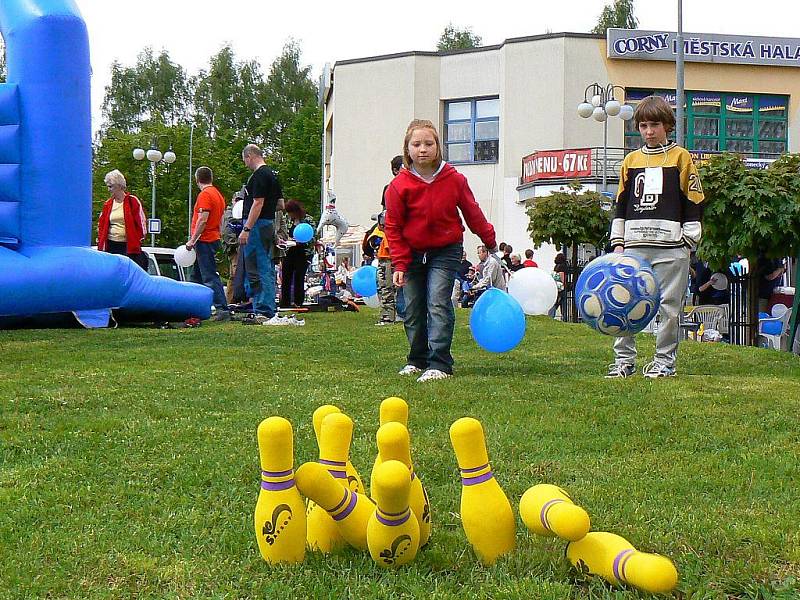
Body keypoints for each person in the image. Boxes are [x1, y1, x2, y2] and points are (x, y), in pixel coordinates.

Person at [385, 119, 497, 382]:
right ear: (407, 149)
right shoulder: (399, 186)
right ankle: (416, 359)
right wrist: (399, 264)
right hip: (411, 252)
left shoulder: (454, 179)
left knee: (437, 302)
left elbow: (473, 212)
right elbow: (393, 226)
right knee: (412, 308)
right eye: (416, 144)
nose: (422, 149)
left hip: (445, 250)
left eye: (428, 143)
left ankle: (440, 363)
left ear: (438, 147)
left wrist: (490, 241)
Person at [606, 95, 704, 379]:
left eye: (655, 125)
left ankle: (664, 363)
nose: (649, 131)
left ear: (668, 125)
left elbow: (694, 200)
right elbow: (620, 204)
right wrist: (618, 242)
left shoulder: (681, 157)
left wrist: (688, 240)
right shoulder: (631, 161)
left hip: (671, 248)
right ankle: (624, 361)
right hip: (634, 247)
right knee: (624, 301)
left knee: (670, 308)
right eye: (644, 125)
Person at [240, 144, 284, 323]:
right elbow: (280, 204)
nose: (245, 164)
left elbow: (257, 203)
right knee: (266, 264)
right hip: (268, 223)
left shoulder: (259, 176)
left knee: (257, 266)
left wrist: (246, 229)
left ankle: (263, 309)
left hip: (257, 225)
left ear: (250, 156)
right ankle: (267, 306)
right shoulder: (273, 176)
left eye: (245, 159)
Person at [186, 166, 228, 319]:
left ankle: (222, 309)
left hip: (204, 240)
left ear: (197, 179)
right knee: (195, 277)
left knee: (209, 276)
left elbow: (202, 220)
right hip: (213, 238)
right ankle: (191, 307)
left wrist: (192, 239)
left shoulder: (205, 195)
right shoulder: (218, 195)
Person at [97, 169, 148, 269]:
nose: (109, 190)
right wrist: (100, 242)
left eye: (111, 187)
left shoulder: (132, 201)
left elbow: (141, 222)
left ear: (119, 186)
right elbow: (101, 225)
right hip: (111, 245)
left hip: (128, 246)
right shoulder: (108, 204)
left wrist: (138, 239)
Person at [376, 156, 404, 325]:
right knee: (387, 284)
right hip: (390, 247)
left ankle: (401, 315)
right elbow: (384, 219)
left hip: (402, 246)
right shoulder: (390, 189)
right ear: (395, 170)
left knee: (403, 285)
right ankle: (388, 316)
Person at [279, 199, 315, 308]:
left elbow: (314, 236)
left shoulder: (308, 220)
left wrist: (302, 241)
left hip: (303, 253)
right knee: (286, 277)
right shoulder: (287, 220)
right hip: (289, 252)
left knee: (299, 277)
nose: (290, 215)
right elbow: (283, 232)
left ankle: (298, 302)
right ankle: (285, 302)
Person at [548, 252, 567, 318]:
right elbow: (562, 276)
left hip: (555, 285)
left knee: (555, 301)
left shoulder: (556, 266)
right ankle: (563, 315)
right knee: (560, 301)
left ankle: (551, 314)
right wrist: (564, 284)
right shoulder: (562, 266)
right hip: (560, 287)